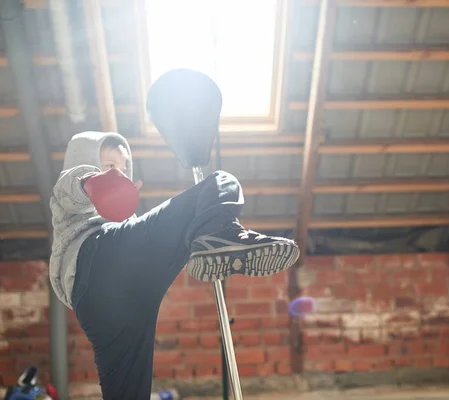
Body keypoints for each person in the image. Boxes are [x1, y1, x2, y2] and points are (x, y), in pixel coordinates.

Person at [49, 131, 300, 400]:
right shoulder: (71, 186)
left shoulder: (129, 232)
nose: (120, 175)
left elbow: (155, 249)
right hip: (97, 258)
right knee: (219, 183)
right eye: (111, 166)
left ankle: (209, 241)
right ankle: (221, 235)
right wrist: (95, 182)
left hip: (109, 306)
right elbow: (73, 188)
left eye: (124, 170)